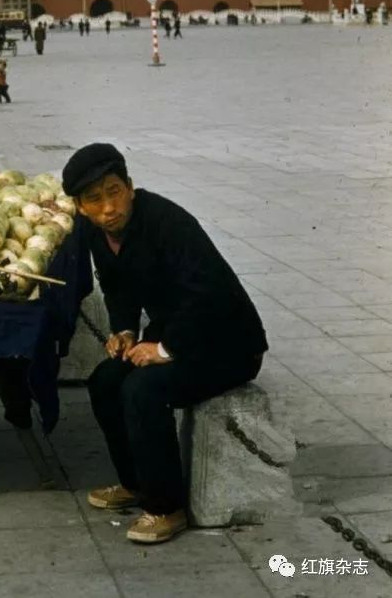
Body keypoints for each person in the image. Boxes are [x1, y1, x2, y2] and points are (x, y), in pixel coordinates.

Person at [61, 143, 268, 545]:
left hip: (228, 343)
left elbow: (208, 295)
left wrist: (163, 349)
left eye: (114, 191)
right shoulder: (94, 232)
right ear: (80, 206)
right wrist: (123, 332)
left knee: (143, 390)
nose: (108, 208)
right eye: (95, 199)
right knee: (105, 380)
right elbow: (116, 286)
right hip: (175, 331)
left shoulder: (167, 223)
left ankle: (166, 507)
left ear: (131, 188)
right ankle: (137, 484)